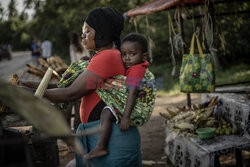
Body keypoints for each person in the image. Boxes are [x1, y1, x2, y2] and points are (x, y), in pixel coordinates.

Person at [44, 7, 142, 167]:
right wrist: (33, 86)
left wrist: (31, 93)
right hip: (108, 138)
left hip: (113, 142)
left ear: (101, 33)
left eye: (88, 31)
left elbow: (70, 93)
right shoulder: (104, 56)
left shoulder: (108, 56)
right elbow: (70, 86)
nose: (83, 35)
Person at [84, 33, 151, 159]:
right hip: (127, 104)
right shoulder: (135, 66)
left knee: (106, 113)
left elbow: (133, 92)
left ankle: (101, 147)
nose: (127, 58)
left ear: (144, 56)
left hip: (132, 109)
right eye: (124, 54)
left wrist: (126, 117)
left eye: (132, 54)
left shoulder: (136, 70)